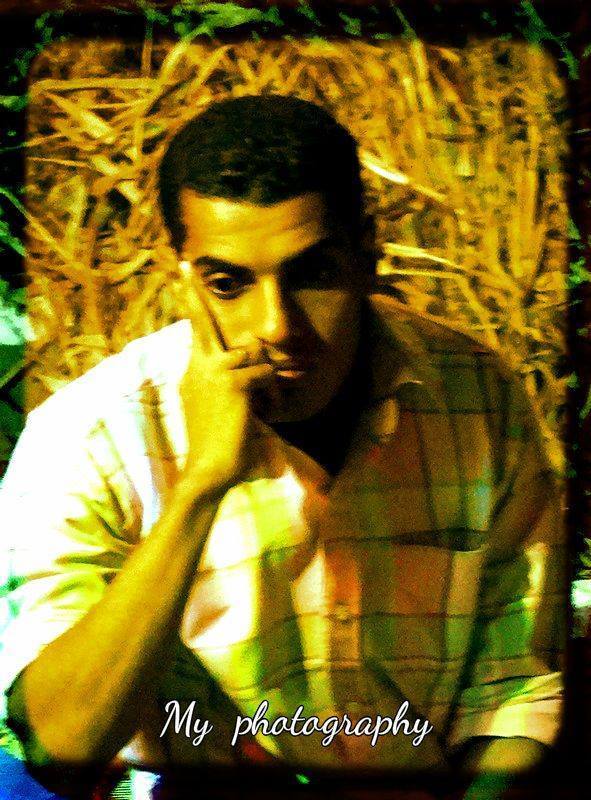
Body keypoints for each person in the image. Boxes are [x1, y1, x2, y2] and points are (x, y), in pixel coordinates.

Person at [0, 95, 563, 797]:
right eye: (228, 284)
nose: (276, 326)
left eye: (313, 274)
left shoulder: (475, 395)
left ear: (366, 253)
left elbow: (513, 687)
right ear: (182, 275)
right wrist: (200, 487)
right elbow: (60, 745)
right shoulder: (91, 433)